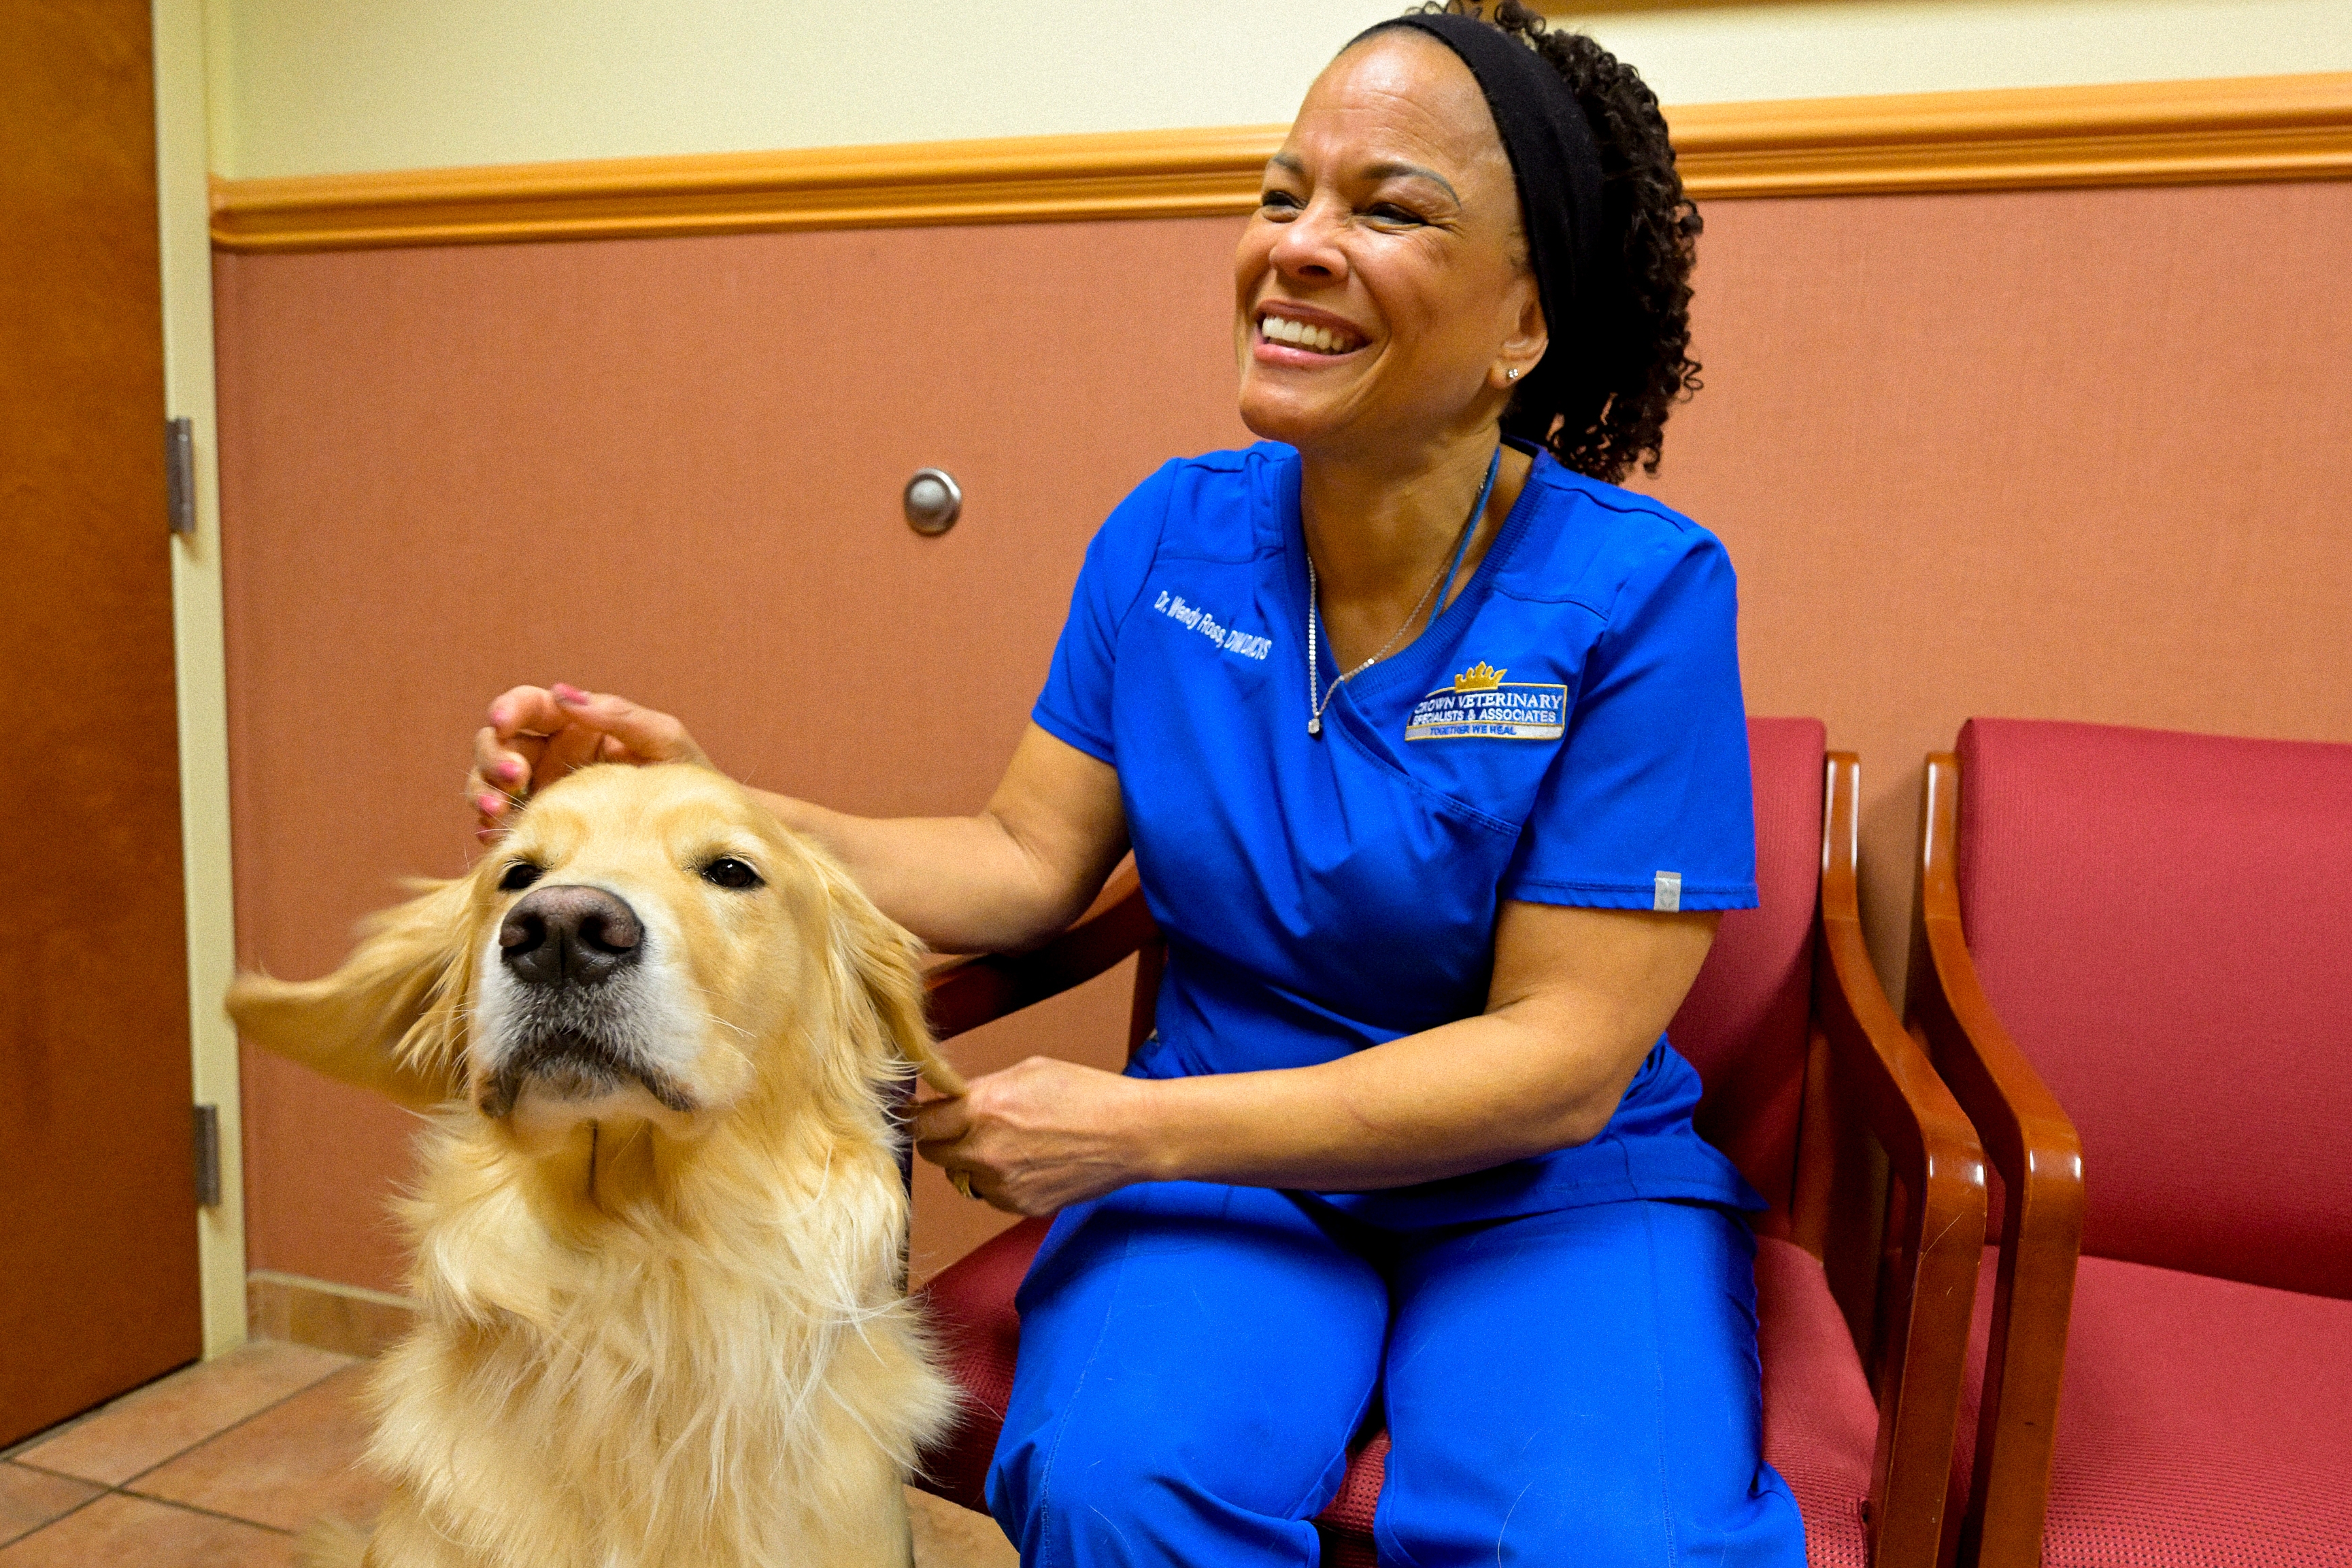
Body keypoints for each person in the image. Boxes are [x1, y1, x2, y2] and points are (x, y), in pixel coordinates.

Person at [465, 3, 1805, 1562]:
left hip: (1547, 1189)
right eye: (1280, 190)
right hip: (1237, 1189)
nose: (1299, 245)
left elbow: (1567, 1055)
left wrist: (1133, 1135)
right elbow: (1023, 859)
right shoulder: (1169, 539)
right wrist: (714, 803)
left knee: (1605, 1540)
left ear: (1523, 324)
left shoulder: (1638, 591)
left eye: (1387, 208)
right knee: (1115, 1481)